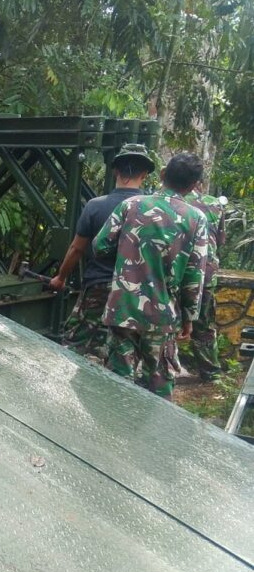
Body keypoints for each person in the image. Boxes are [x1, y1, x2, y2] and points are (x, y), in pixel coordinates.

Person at [92, 153, 209, 399]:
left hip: (123, 309)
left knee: (116, 384)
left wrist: (127, 252)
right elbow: (194, 275)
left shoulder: (131, 205)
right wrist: (189, 317)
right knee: (159, 384)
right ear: (193, 185)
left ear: (163, 174)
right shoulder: (196, 218)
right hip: (162, 315)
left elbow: (100, 246)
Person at [49, 143, 156, 361]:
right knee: (124, 349)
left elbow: (77, 248)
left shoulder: (95, 206)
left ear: (115, 170)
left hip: (98, 285)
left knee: (75, 341)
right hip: (135, 291)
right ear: (145, 174)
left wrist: (61, 277)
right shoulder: (153, 211)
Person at [184, 187, 227, 380]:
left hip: (173, 271)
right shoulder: (214, 203)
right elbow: (221, 240)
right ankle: (211, 372)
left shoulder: (165, 203)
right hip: (205, 273)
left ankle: (158, 371)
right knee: (204, 325)